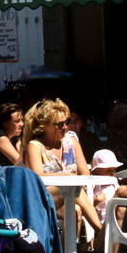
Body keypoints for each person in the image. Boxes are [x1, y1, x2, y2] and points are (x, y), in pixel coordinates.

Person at [21, 96, 104, 241]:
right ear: (44, 126)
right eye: (60, 124)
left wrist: (70, 180)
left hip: (70, 199)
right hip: (42, 198)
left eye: (66, 122)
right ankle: (102, 231)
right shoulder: (35, 146)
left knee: (75, 210)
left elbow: (85, 173)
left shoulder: (71, 142)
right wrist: (67, 177)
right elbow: (36, 176)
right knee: (72, 188)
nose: (65, 127)